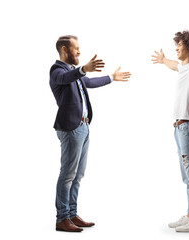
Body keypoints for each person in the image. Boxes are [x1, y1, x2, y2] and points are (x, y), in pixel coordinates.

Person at [50, 35, 131, 232]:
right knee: (67, 174)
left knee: (78, 175)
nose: (79, 51)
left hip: (84, 127)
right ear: (63, 50)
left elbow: (89, 83)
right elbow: (66, 78)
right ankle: (62, 218)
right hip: (70, 128)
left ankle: (71, 214)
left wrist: (112, 77)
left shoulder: (73, 72)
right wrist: (83, 69)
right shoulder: (57, 70)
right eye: (75, 48)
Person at [152, 31, 189, 232]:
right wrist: (162, 60)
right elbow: (172, 65)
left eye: (179, 45)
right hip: (180, 127)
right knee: (187, 174)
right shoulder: (183, 68)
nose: (176, 47)